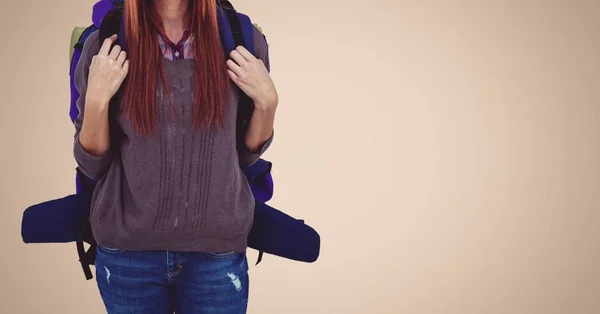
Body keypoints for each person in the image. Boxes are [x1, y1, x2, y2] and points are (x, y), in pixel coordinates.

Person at [72, 0, 278, 312]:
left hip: (216, 256)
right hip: (128, 256)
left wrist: (267, 102)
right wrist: (97, 100)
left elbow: (242, 156)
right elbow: (92, 163)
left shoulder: (242, 39)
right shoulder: (105, 44)